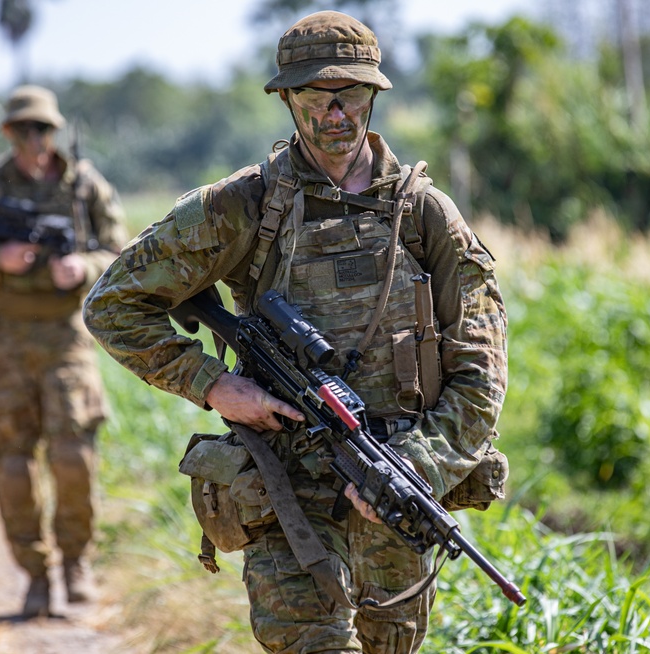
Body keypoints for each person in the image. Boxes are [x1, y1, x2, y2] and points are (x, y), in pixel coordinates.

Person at [83, 10, 508, 654]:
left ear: (373, 95)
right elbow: (114, 303)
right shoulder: (243, 206)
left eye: (351, 95)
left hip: (398, 487)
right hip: (286, 486)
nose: (335, 114)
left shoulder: (424, 214)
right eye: (315, 96)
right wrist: (215, 384)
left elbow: (482, 370)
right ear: (286, 99)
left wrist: (419, 466)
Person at [0, 84, 129, 618]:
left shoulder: (85, 188)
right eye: (22, 129)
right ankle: (34, 575)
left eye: (42, 129)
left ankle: (75, 562)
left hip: (66, 337)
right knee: (12, 462)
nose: (33, 139)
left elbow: (125, 254)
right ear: (8, 133)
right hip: (6, 339)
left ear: (55, 132)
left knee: (73, 455)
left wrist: (85, 267)